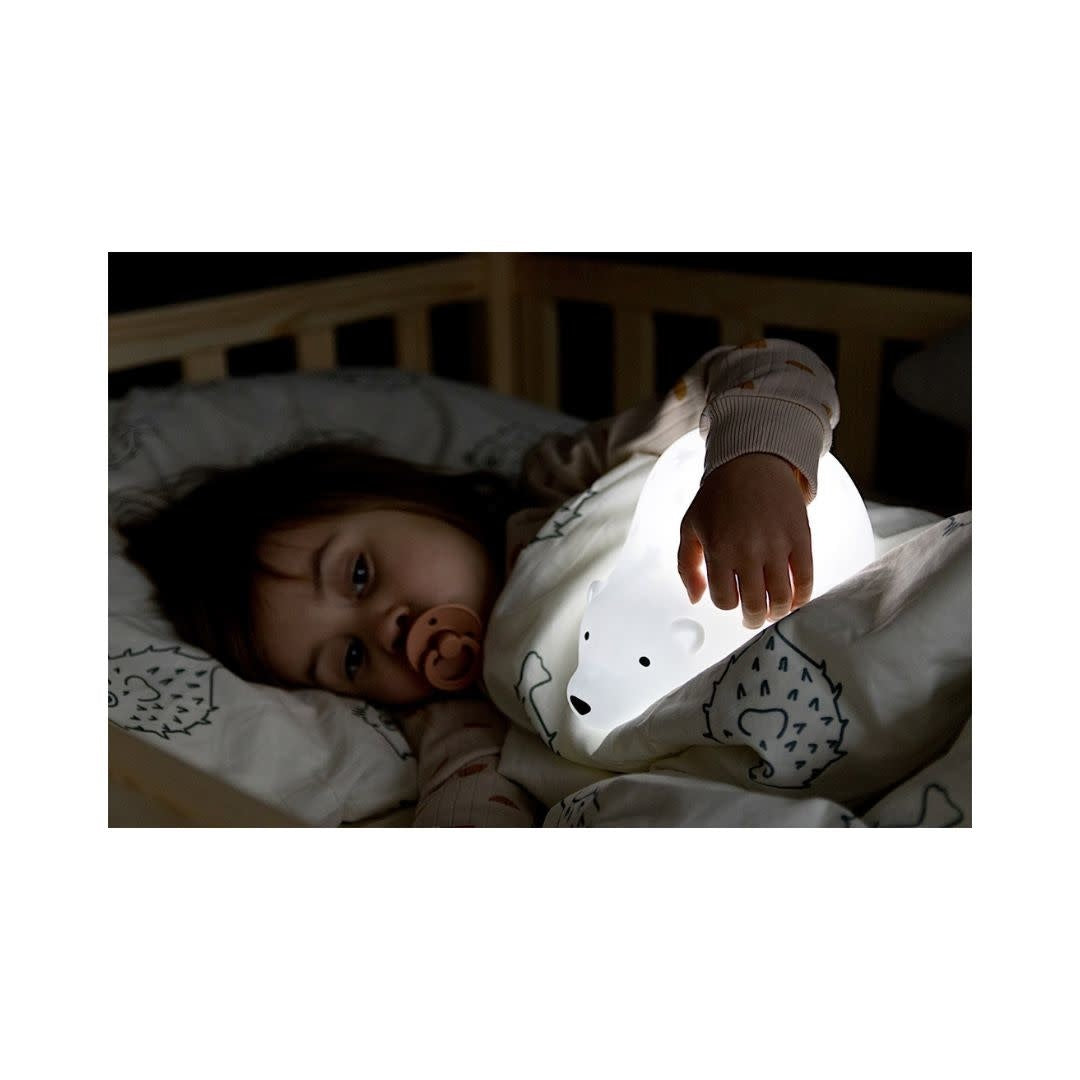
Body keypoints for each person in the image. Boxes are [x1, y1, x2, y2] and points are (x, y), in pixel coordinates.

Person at [120, 338, 839, 827]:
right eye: (350, 658)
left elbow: (767, 366)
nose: (385, 630)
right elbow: (466, 803)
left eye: (360, 575)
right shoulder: (464, 714)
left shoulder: (561, 482)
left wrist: (754, 467)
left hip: (827, 605)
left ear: (403, 495)